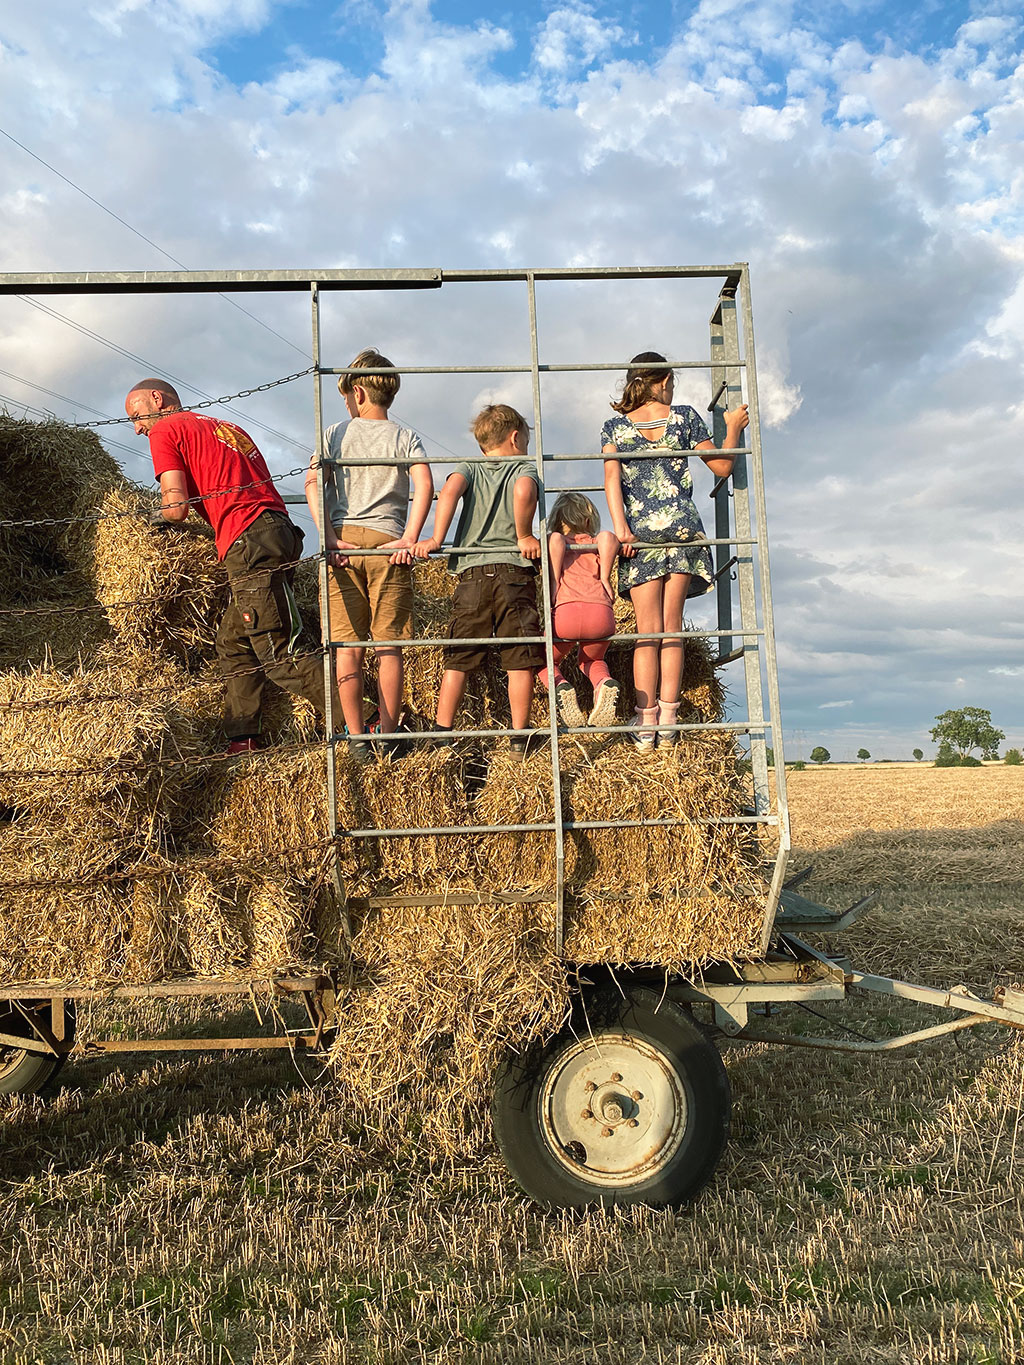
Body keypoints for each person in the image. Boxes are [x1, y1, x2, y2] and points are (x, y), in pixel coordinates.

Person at [125, 379, 326, 752]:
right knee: (233, 640)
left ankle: (369, 718)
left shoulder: (166, 429)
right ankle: (243, 739)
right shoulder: (227, 428)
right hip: (279, 532)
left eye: (136, 416)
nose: (137, 428)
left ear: (157, 399)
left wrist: (148, 518)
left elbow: (176, 507)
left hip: (248, 541)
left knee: (277, 651)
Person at [602, 352, 748, 751]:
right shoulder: (683, 417)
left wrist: (622, 530)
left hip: (642, 538)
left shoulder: (614, 427)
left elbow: (611, 481)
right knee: (672, 628)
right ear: (661, 381)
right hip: (682, 532)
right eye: (670, 382)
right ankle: (669, 718)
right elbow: (721, 466)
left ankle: (645, 723)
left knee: (647, 633)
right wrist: (732, 429)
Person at [305, 349, 433, 762]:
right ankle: (390, 736)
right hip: (387, 546)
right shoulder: (404, 437)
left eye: (346, 396)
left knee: (347, 647)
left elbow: (312, 484)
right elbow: (425, 484)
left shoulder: (335, 435)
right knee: (389, 646)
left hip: (343, 544)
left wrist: (327, 537)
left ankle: (357, 737)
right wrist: (410, 537)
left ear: (357, 393)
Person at [412, 404, 544, 758]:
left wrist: (437, 538)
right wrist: (523, 534)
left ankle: (442, 731)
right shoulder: (524, 467)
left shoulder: (468, 467)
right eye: (527, 441)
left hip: (471, 575)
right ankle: (519, 737)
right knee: (519, 657)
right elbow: (523, 492)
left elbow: (450, 490)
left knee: (458, 656)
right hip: (514, 574)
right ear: (516, 438)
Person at [536, 492, 621, 730]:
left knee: (543, 661)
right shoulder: (596, 544)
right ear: (587, 520)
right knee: (592, 659)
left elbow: (553, 540)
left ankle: (561, 685)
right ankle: (603, 683)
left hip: (566, 614)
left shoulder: (559, 543)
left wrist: (553, 585)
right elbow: (608, 536)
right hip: (601, 614)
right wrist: (605, 577)